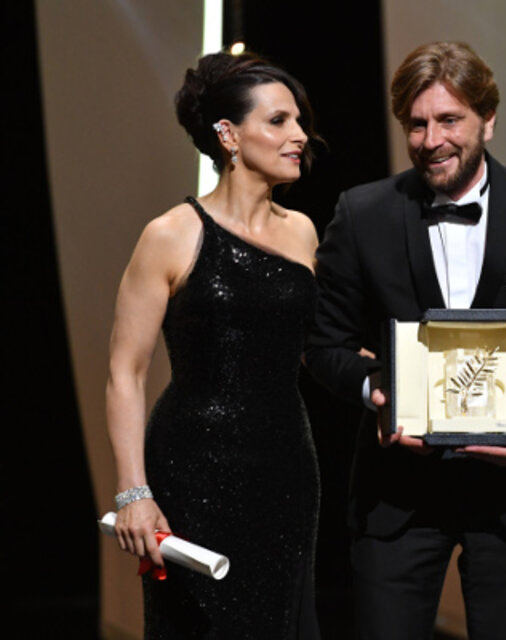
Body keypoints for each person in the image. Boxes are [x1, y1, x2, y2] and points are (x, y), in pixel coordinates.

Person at [305, 41, 506, 640]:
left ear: (487, 120)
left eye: (448, 120)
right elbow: (322, 343)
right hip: (397, 498)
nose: (431, 139)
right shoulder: (363, 214)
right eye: (416, 124)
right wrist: (374, 391)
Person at [106, 52, 322, 638]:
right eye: (279, 121)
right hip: (193, 472)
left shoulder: (301, 232)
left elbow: (300, 348)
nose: (300, 135)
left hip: (286, 472)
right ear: (228, 134)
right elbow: (126, 372)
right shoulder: (171, 234)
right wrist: (133, 492)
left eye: (298, 120)